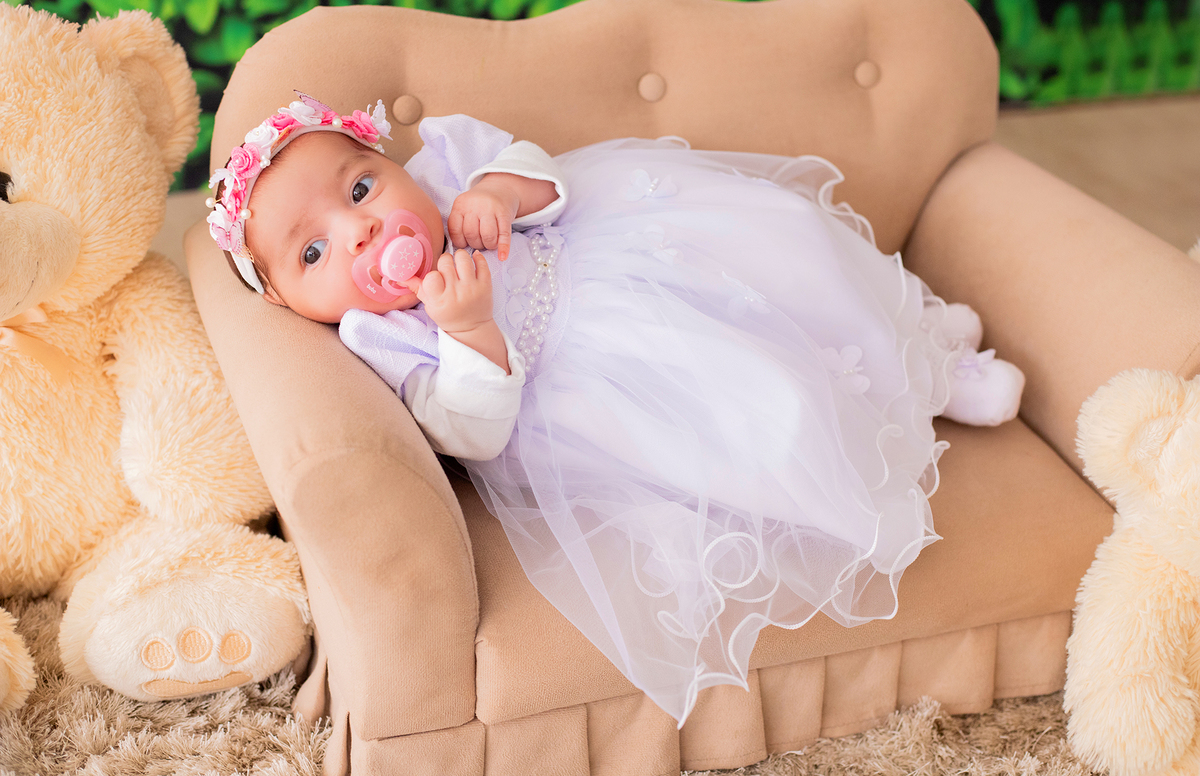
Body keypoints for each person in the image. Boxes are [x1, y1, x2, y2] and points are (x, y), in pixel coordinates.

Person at [208, 94, 1025, 724]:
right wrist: (468, 331)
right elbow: (469, 431)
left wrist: (502, 190)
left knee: (788, 257)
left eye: (360, 187)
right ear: (287, 301)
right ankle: (906, 404)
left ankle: (923, 347)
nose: (359, 230)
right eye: (313, 252)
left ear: (388, 163)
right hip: (593, 388)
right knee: (755, 404)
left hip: (626, 259)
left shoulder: (449, 171)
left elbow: (548, 179)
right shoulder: (382, 340)